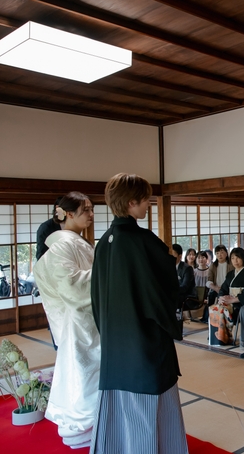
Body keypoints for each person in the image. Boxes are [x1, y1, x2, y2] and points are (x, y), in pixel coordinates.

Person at [91, 173, 187, 454]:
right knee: (149, 407)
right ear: (131, 202)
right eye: (145, 199)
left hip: (115, 342)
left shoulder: (105, 241)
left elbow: (96, 297)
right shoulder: (142, 241)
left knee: (118, 408)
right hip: (145, 342)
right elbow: (161, 290)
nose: (149, 204)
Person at [33, 192, 97, 449]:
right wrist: (109, 270)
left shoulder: (76, 243)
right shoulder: (61, 246)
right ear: (68, 213)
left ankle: (97, 425)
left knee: (88, 376)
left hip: (89, 321)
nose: (92, 215)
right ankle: (86, 428)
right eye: (86, 210)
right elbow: (72, 289)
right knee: (83, 377)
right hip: (79, 325)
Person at [210, 247, 244, 345]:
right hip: (229, 303)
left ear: (243, 258)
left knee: (223, 310)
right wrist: (221, 297)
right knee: (215, 308)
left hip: (242, 305)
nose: (235, 261)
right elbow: (223, 289)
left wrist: (232, 300)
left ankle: (224, 337)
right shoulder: (230, 274)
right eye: (232, 258)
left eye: (238, 258)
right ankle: (220, 335)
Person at [203, 245, 234, 323]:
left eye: (222, 252)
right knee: (212, 295)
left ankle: (227, 317)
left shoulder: (231, 265)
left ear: (226, 254)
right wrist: (215, 288)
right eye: (217, 253)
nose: (220, 255)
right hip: (216, 288)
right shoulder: (213, 266)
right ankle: (211, 317)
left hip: (228, 289)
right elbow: (208, 281)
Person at [172, 243, 196, 311]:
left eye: (173, 255)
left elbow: (185, 287)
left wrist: (172, 291)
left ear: (180, 256)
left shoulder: (187, 269)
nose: (170, 257)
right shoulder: (169, 267)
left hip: (187, 296)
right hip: (176, 294)